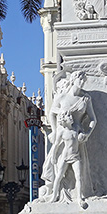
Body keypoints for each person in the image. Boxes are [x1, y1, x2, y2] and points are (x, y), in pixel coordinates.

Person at [41, 71, 97, 203]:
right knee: (58, 173)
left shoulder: (85, 99)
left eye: (84, 80)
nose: (82, 83)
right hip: (63, 136)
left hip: (77, 136)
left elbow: (93, 119)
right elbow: (51, 113)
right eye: (80, 80)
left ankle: (79, 196)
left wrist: (87, 133)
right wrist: (54, 131)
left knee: (79, 174)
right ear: (73, 79)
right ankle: (56, 195)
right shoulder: (62, 97)